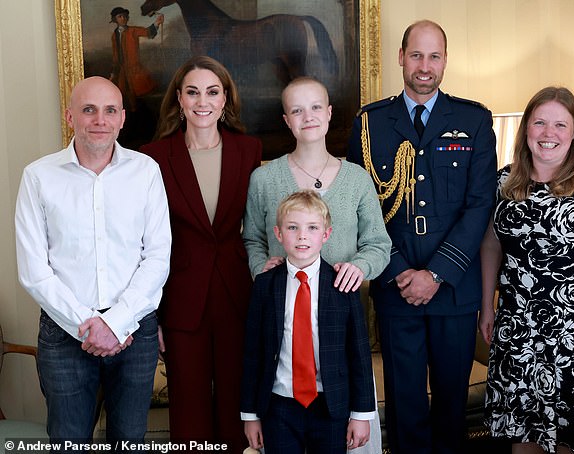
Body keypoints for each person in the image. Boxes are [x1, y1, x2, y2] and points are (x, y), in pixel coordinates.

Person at [347, 19, 498, 453]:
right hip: (396, 290)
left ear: (445, 60)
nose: (425, 66)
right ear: (400, 57)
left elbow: (479, 207)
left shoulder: (473, 120)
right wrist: (399, 272)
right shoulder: (369, 124)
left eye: (434, 56)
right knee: (404, 402)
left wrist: (435, 274)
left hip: (453, 290)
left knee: (452, 404)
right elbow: (364, 208)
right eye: (416, 55)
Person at [15, 76, 171, 445]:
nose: (99, 119)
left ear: (122, 119)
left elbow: (158, 257)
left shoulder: (145, 171)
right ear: (71, 116)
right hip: (64, 335)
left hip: (134, 330)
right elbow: (34, 270)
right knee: (68, 441)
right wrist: (89, 326)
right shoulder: (38, 176)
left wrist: (115, 323)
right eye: (89, 110)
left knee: (130, 441)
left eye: (109, 110)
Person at [479, 86, 574, 454]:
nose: (549, 134)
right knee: (523, 438)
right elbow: (491, 245)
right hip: (517, 333)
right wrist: (487, 306)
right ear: (526, 129)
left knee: (573, 442)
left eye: (560, 125)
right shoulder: (503, 182)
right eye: (540, 123)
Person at [242, 76, 390, 453]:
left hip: (337, 315)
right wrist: (262, 266)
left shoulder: (357, 179)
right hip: (286, 306)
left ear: (328, 113)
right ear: (286, 120)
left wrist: (359, 267)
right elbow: (253, 238)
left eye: (314, 108)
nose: (307, 117)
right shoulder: (264, 178)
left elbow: (378, 244)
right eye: (296, 110)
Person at [140, 55, 262, 451]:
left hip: (236, 295)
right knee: (188, 412)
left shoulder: (249, 150)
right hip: (179, 300)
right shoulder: (154, 157)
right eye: (192, 92)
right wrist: (151, 315)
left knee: (235, 407)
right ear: (179, 99)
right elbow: (144, 240)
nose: (202, 101)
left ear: (225, 99)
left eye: (212, 91)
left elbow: (259, 225)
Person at [240, 190, 376, 453]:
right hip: (278, 405)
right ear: (279, 234)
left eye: (312, 227)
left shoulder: (343, 285)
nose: (302, 235)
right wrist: (250, 415)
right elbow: (252, 355)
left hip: (330, 406)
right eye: (293, 227)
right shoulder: (265, 286)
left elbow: (359, 354)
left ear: (326, 234)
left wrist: (361, 414)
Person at [109, 6, 164, 112]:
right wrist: (113, 72)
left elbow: (148, 32)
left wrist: (157, 22)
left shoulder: (133, 31)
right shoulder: (114, 35)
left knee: (142, 93)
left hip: (135, 69)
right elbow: (116, 56)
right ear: (115, 19)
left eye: (125, 16)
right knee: (124, 96)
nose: (123, 18)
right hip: (122, 71)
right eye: (120, 16)